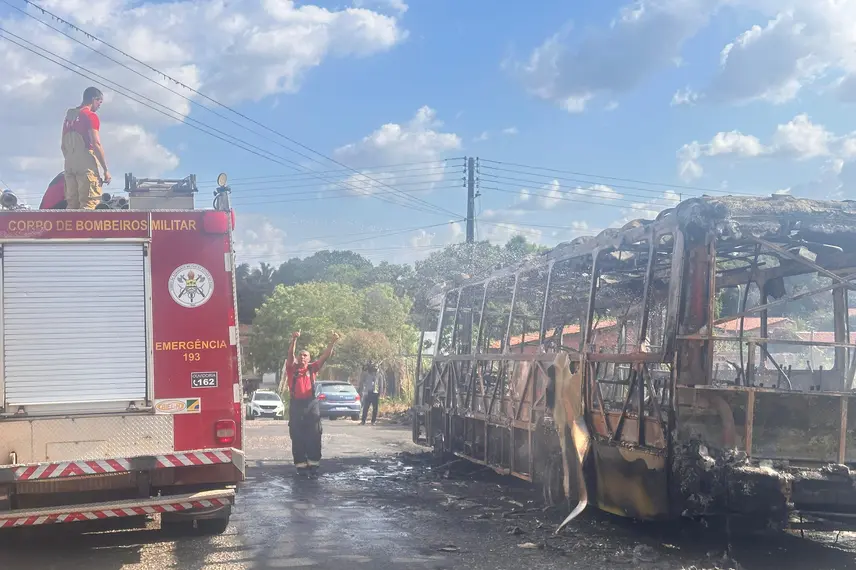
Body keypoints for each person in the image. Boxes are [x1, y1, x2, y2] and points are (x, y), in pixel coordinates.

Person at [282, 330, 341, 478]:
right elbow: (290, 354)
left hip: (311, 404)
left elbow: (325, 356)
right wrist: (294, 339)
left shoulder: (313, 368)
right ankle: (301, 466)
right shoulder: (292, 368)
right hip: (296, 405)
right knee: (297, 435)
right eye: (300, 355)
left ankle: (313, 465)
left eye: (305, 355)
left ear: (309, 359)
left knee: (314, 434)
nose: (302, 357)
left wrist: (333, 342)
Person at [61, 87, 110, 210]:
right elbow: (96, 143)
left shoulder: (69, 117)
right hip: (86, 166)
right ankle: (85, 230)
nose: (99, 106)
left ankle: (71, 229)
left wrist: (71, 160)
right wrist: (105, 170)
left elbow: (63, 145)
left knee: (72, 204)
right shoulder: (90, 116)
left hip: (69, 165)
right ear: (94, 99)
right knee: (89, 203)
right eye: (99, 102)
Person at [358, 361, 384, 425]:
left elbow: (381, 384)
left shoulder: (379, 375)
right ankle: (363, 421)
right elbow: (361, 381)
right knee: (365, 408)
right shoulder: (366, 374)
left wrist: (381, 393)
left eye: (375, 368)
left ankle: (373, 421)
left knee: (375, 408)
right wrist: (362, 391)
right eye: (373, 368)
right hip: (368, 392)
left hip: (375, 393)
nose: (374, 370)